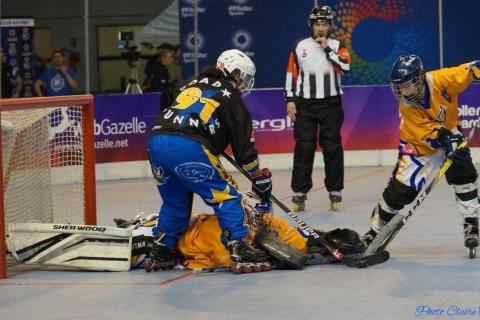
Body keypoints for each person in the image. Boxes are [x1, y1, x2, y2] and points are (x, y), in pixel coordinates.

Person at [146, 49, 274, 273]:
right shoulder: (229, 95)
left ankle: (162, 248)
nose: (244, 84)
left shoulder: (188, 83)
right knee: (227, 194)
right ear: (234, 73)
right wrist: (256, 175)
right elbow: (244, 146)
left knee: (175, 201)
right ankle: (240, 246)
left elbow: (169, 100)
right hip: (187, 146)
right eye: (244, 78)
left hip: (156, 141)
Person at [362, 55, 480, 258]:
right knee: (398, 194)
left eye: (407, 85)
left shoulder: (442, 80)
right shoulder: (406, 105)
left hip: (449, 132)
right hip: (417, 147)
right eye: (400, 87)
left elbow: (470, 69)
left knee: (464, 175)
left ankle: (471, 223)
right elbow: (425, 133)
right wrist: (443, 137)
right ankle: (374, 232)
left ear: (420, 78)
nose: (404, 91)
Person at [115, 191, 366, 272]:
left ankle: (139, 227)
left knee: (136, 242)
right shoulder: (282, 231)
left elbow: (229, 258)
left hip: (174, 240)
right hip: (184, 229)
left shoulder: (239, 231)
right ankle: (141, 224)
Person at [284, 5, 351, 212]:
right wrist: (290, 99)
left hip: (331, 104)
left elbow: (346, 66)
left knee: (332, 147)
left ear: (329, 26)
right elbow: (291, 75)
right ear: (311, 25)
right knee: (304, 147)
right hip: (306, 105)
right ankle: (300, 192)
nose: (320, 28)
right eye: (317, 24)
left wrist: (326, 49)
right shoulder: (299, 46)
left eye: (324, 24)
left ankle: (335, 190)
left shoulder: (338, 44)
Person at [143, 45, 176, 111]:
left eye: (172, 57)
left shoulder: (164, 69)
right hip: (156, 102)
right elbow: (160, 88)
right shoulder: (157, 69)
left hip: (161, 101)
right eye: (169, 57)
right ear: (163, 58)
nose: (171, 59)